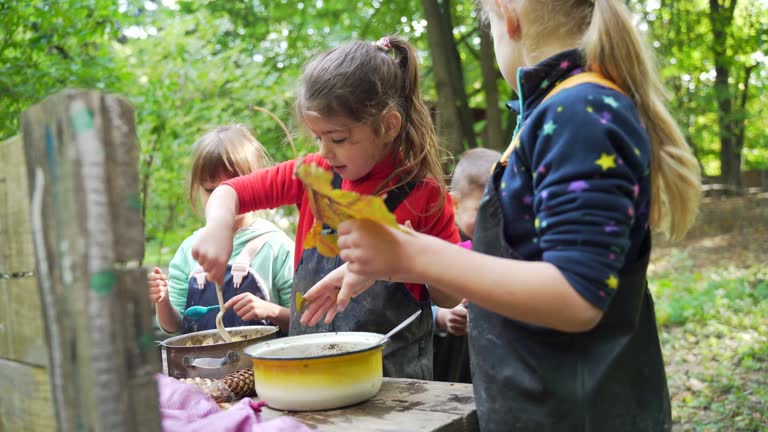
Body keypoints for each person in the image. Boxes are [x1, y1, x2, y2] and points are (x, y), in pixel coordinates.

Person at [301, 1, 701, 430]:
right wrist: (392, 261)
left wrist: (416, 255)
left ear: (508, 15)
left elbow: (577, 295)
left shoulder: (578, 111)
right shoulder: (552, 113)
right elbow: (522, 264)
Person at [190, 36, 461, 380]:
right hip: (310, 375)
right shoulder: (313, 175)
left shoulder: (425, 198)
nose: (326, 152)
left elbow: (450, 297)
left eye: (338, 139)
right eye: (318, 138)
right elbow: (228, 192)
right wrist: (217, 228)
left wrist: (412, 260)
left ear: (389, 126)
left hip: (395, 383)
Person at [147, 125, 295, 334]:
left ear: (256, 183)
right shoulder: (190, 251)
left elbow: (305, 323)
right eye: (210, 189)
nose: (220, 198)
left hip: (265, 366)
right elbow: (176, 326)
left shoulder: (277, 247)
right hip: (204, 365)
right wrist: (162, 300)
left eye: (232, 187)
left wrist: (271, 311)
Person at [432, 148, 501, 383]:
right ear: (454, 204)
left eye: (500, 212)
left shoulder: (510, 252)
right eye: (481, 211)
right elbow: (413, 301)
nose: (491, 222)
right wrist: (441, 316)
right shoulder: (442, 249)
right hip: (450, 364)